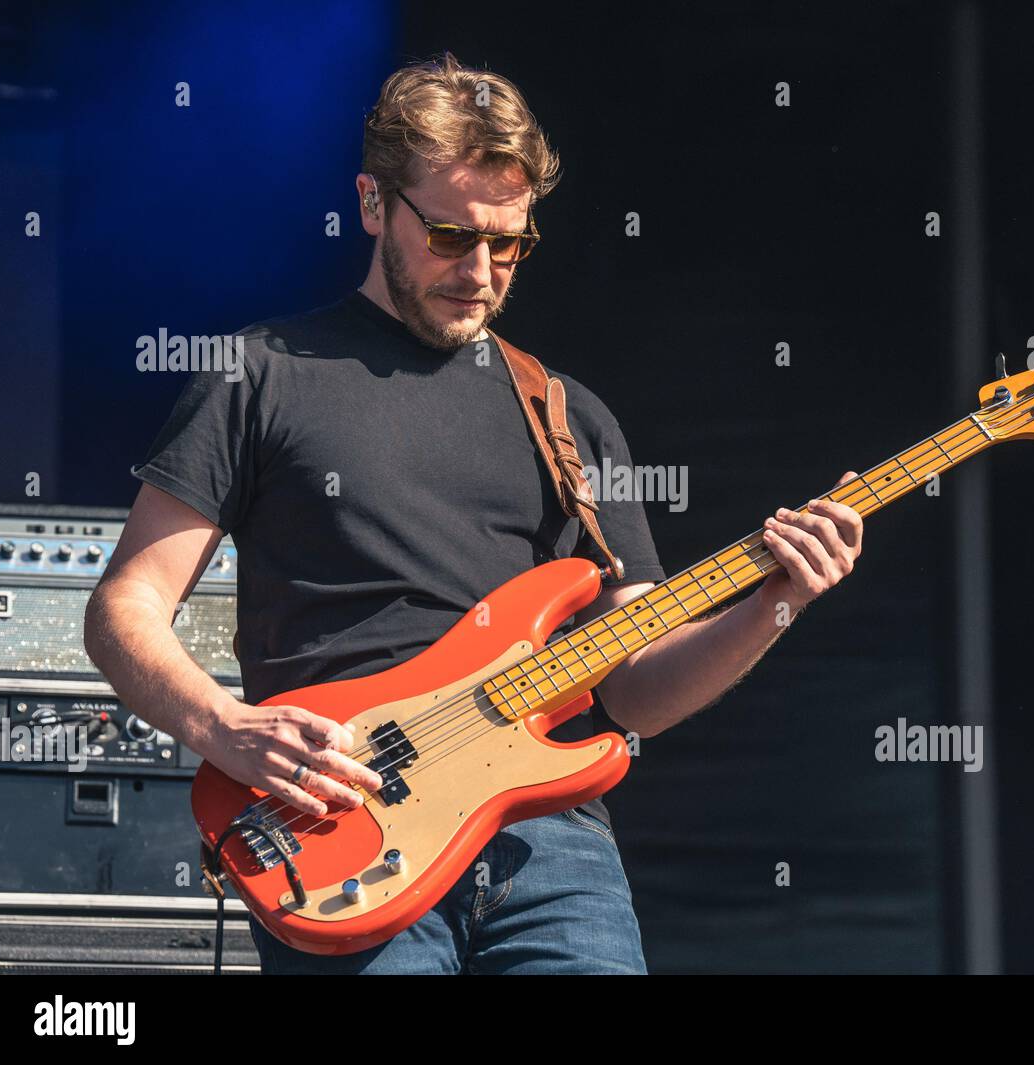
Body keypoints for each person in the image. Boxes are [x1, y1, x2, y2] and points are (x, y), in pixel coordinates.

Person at [83, 52, 864, 975]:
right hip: (347, 827)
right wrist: (224, 726)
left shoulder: (570, 417)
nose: (484, 269)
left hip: (553, 847)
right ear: (373, 206)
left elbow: (635, 685)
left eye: (511, 242)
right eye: (452, 235)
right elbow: (123, 608)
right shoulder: (258, 374)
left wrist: (774, 601)